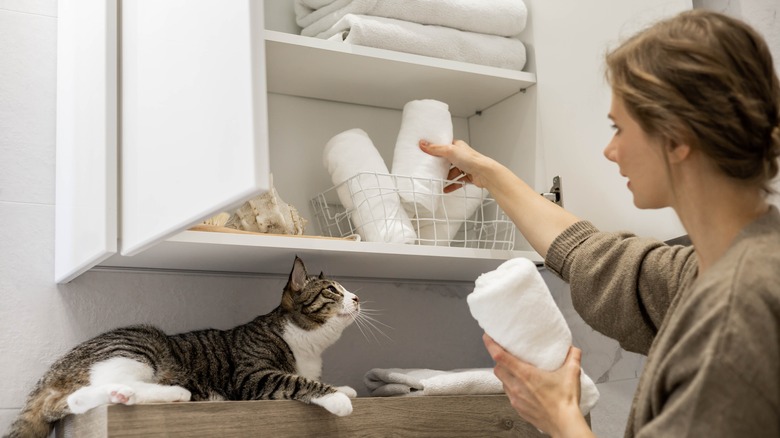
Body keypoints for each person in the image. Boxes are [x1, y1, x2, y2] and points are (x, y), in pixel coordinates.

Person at [420, 9, 780, 438]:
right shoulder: (724, 265)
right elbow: (600, 260)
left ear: (677, 137)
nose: (610, 151)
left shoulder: (738, 307)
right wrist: (492, 176)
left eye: (619, 128)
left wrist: (559, 416)